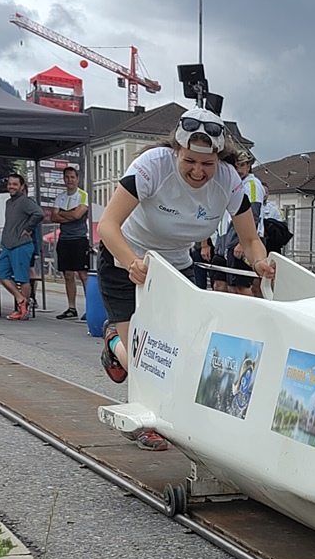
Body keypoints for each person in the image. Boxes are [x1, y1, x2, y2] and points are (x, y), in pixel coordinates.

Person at [94, 111, 275, 450]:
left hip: (177, 264)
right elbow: (107, 225)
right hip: (126, 260)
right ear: (176, 150)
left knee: (179, 352)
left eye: (207, 164)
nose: (197, 171)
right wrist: (131, 261)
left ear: (219, 159)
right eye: (189, 161)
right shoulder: (153, 165)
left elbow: (250, 240)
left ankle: (179, 415)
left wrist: (261, 262)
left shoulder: (229, 181)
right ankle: (118, 357)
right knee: (141, 360)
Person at [0, 172, 45, 320]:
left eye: (15, 184)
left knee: (23, 279)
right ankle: (21, 299)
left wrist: (28, 228)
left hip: (21, 245)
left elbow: (39, 213)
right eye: (10, 184)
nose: (11, 187)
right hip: (8, 245)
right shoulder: (9, 202)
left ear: (22, 186)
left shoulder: (25, 201)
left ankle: (23, 309)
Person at [49, 164, 91, 319]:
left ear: (77, 179)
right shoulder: (60, 197)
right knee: (68, 274)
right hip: (64, 239)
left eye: (72, 177)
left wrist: (63, 214)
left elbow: (77, 215)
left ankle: (90, 308)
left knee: (83, 274)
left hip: (79, 239)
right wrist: (70, 214)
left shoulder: (83, 195)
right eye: (67, 177)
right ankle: (71, 308)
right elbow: (53, 217)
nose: (69, 180)